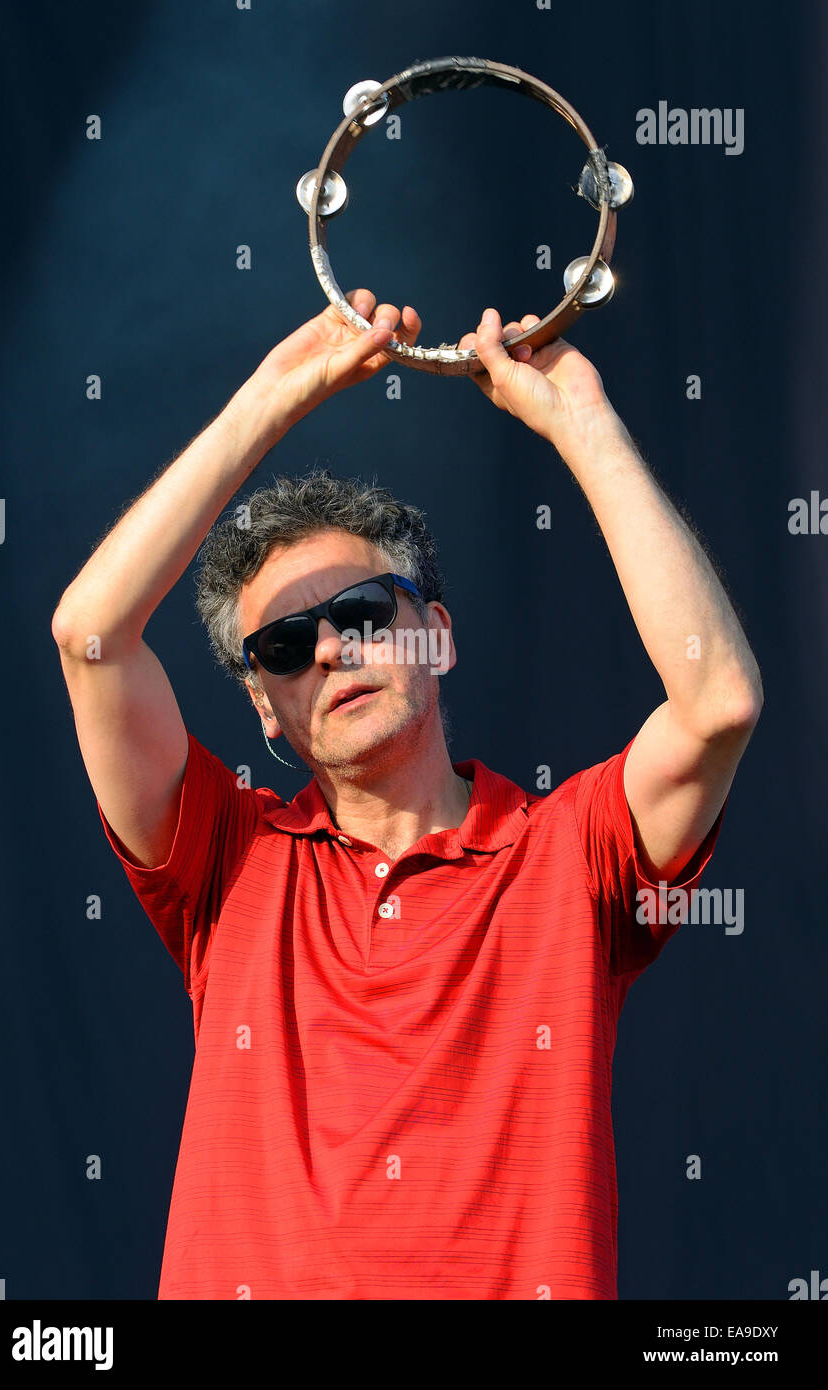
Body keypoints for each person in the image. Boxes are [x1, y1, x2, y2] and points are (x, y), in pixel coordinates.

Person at [51, 290, 762, 1299]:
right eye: (285, 648)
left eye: (361, 612)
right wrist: (268, 399)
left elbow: (717, 701)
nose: (331, 650)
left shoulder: (570, 850)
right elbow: (89, 636)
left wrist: (583, 426)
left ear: (435, 633)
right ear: (263, 706)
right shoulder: (226, 858)